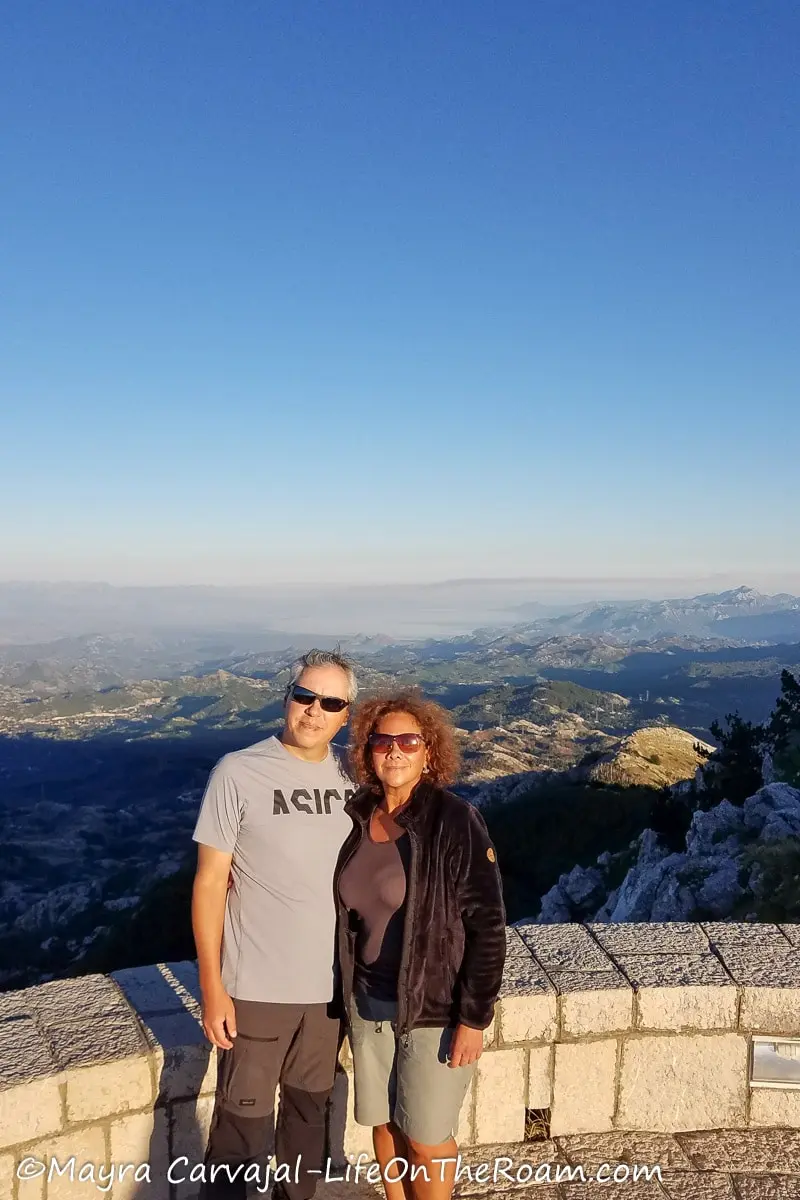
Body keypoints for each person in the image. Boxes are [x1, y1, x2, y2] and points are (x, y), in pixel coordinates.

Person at [192, 648, 357, 1200]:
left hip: (330, 995)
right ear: (287, 698)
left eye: (330, 702)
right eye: (304, 696)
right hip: (256, 991)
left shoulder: (354, 777)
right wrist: (212, 987)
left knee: (308, 1127)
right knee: (241, 1130)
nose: (313, 711)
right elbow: (210, 883)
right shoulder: (239, 771)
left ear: (345, 715)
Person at [334, 690, 506, 1200]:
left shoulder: (455, 820)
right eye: (382, 740)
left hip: (434, 1007)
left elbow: (488, 925)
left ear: (429, 751)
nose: (394, 750)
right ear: (367, 751)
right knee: (384, 1126)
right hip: (368, 1002)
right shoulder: (357, 817)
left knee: (427, 1139)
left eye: (408, 740)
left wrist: (474, 1018)